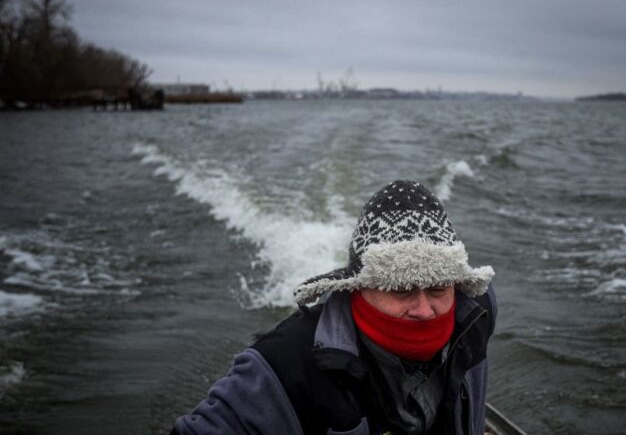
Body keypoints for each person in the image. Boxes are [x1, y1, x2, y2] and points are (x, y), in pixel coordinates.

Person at [173, 180, 496, 435]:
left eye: (438, 288)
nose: (425, 310)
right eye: (401, 289)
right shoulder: (285, 369)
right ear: (358, 287)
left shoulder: (476, 315)